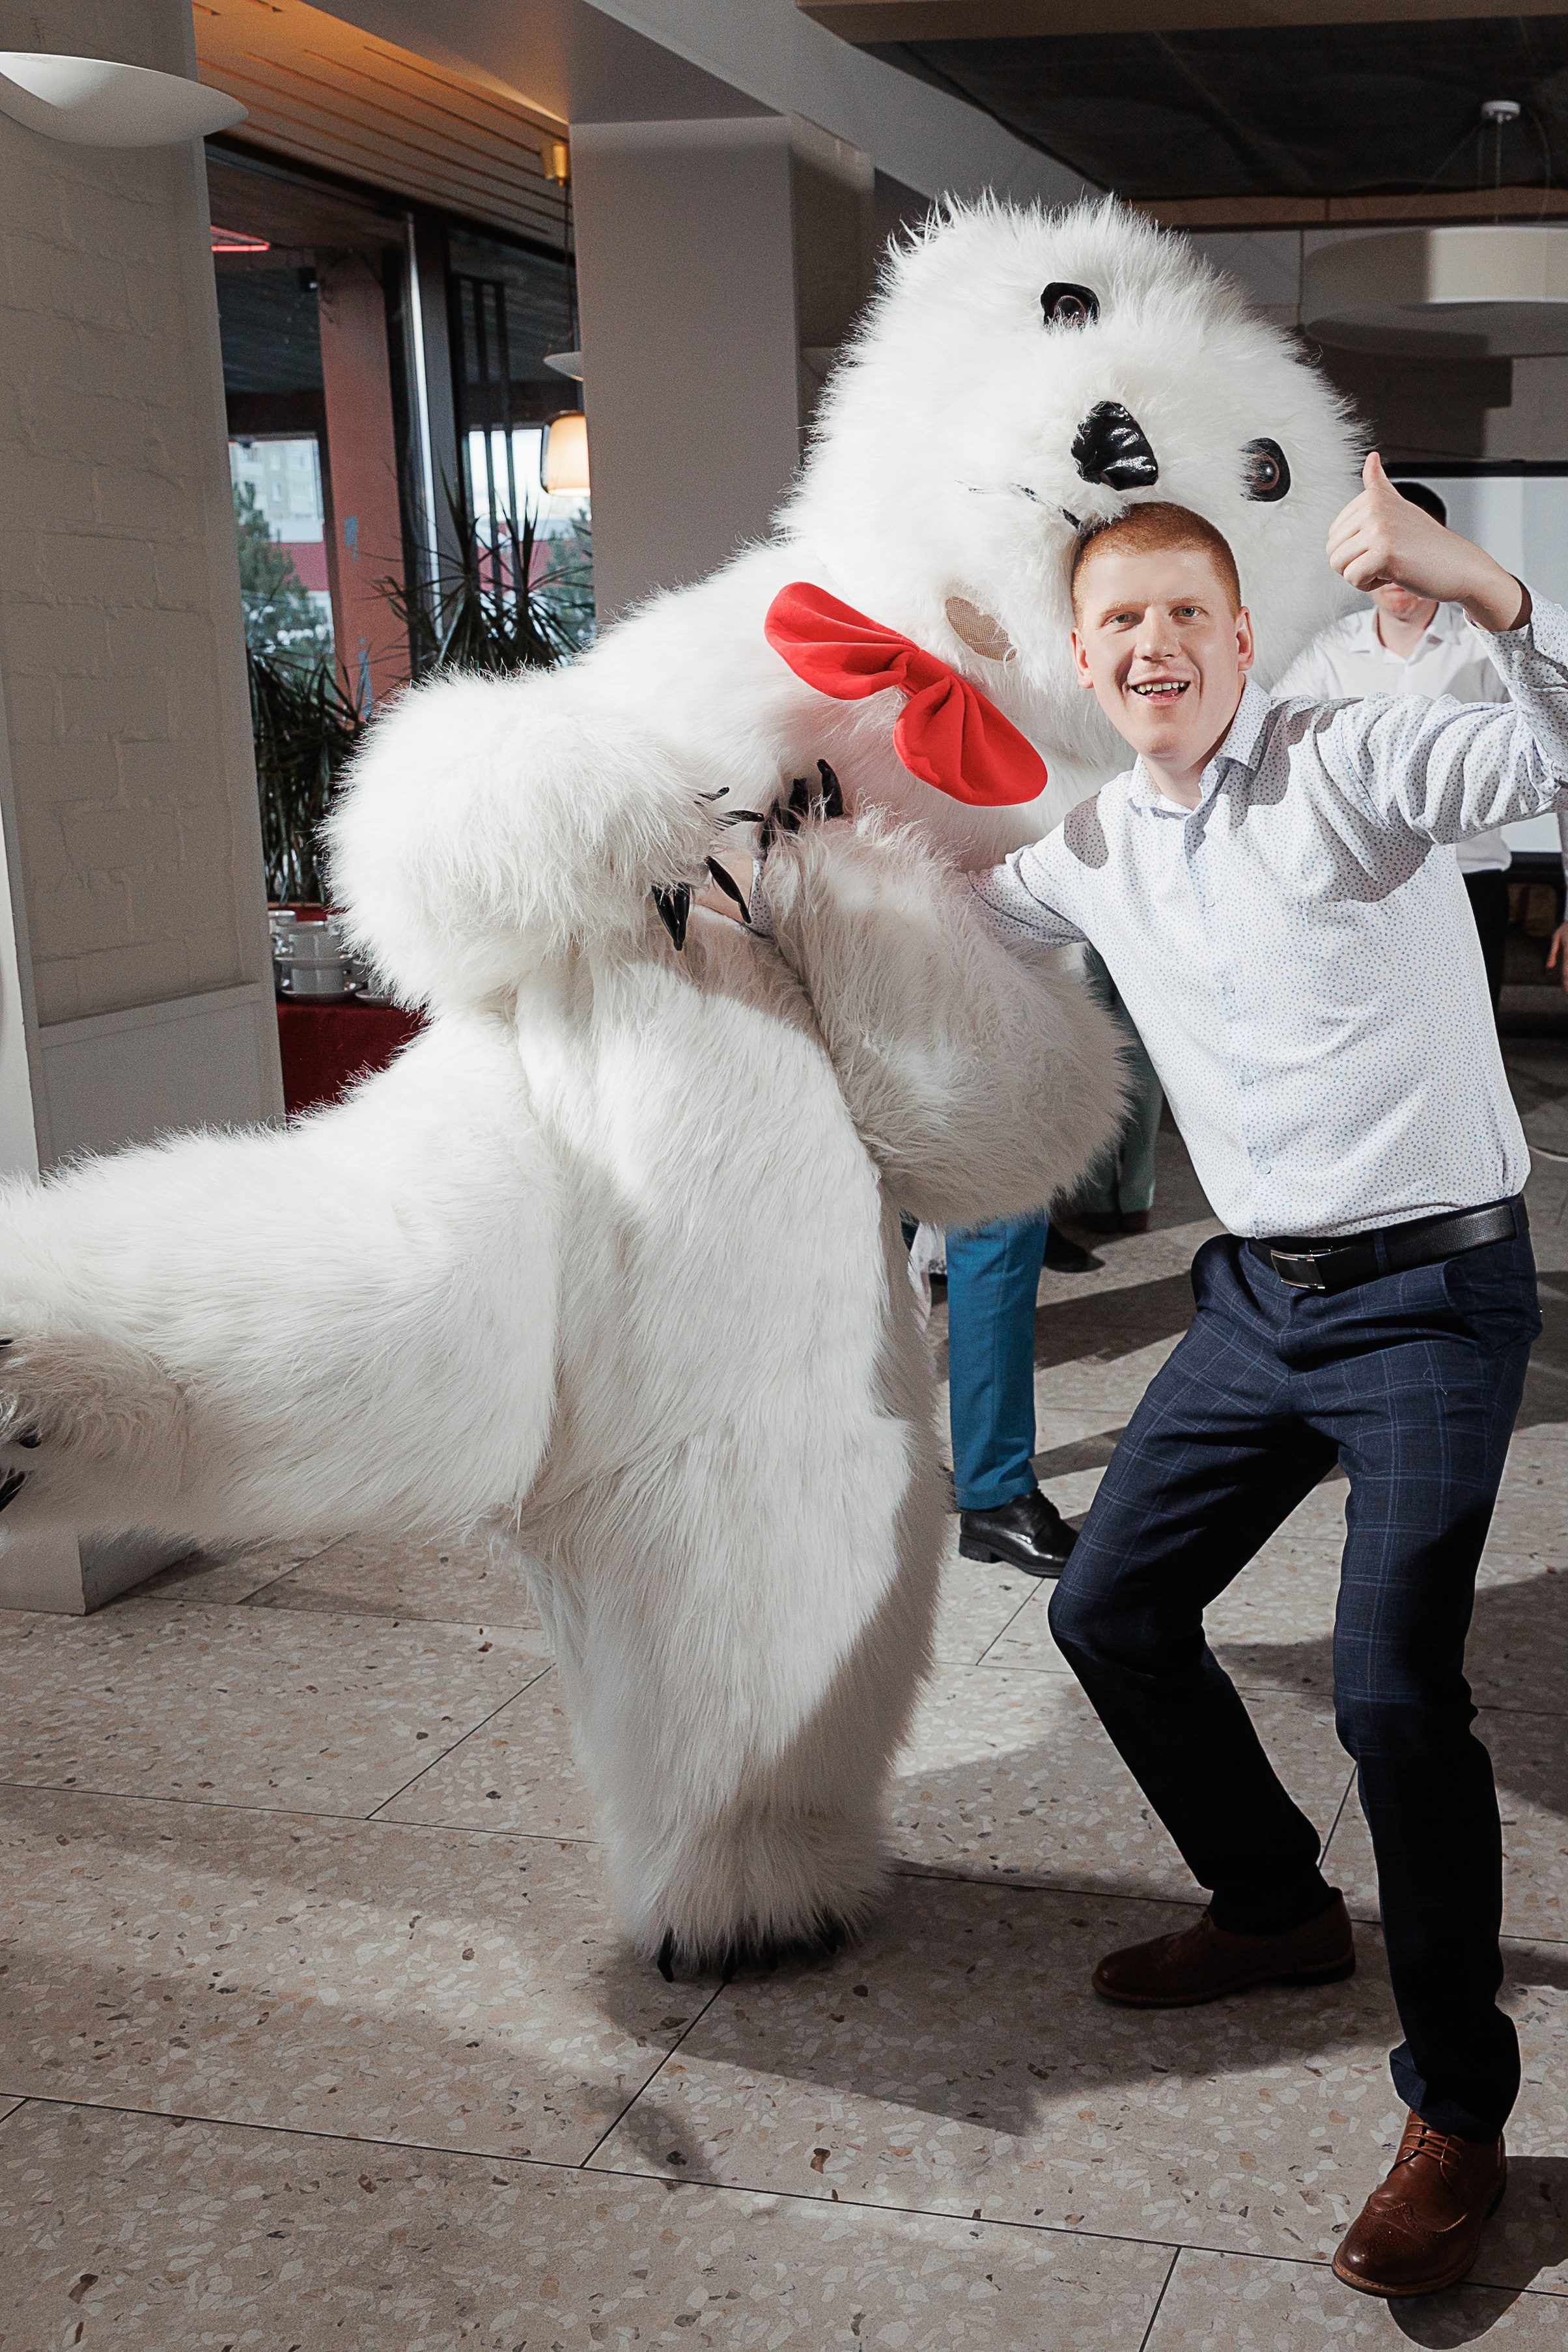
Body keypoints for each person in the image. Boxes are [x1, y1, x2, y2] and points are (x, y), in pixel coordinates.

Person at [959, 454, 1565, 2299]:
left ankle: (1458, 2110)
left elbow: (1549, 770)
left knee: (1394, 1696)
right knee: (1112, 1608)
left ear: (1242, 638)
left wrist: (1498, 601)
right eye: (1119, 621)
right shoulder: (1096, 842)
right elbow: (955, 916)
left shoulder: (1347, 761)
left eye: (1187, 617)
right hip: (1252, 1308)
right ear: (1085, 657)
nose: (1155, 645)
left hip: (1435, 1302)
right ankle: (1282, 1904)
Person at [1274, 479, 1513, 1008]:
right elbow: (1281, 753)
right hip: (1362, 888)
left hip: (1469, 881)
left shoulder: (1487, 647)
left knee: (1473, 1039)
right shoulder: (1328, 651)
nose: (1392, 571)